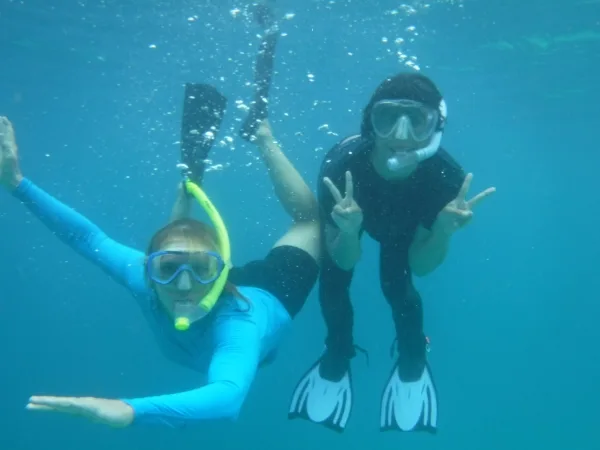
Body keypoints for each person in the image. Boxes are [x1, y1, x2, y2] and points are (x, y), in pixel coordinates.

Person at [289, 72, 495, 433]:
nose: (401, 135)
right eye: (387, 118)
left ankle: (413, 355)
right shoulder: (340, 167)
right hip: (350, 216)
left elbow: (422, 265)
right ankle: (338, 349)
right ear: (370, 122)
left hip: (404, 228)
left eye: (417, 120)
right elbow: (343, 259)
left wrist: (444, 232)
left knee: (396, 285)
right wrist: (350, 232)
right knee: (334, 279)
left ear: (436, 128)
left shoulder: (446, 179)